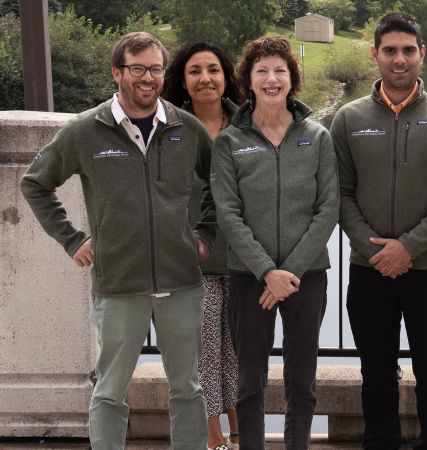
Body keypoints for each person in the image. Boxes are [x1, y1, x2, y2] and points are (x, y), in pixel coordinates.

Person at [20, 31, 212, 449]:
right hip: (118, 283)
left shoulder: (186, 128)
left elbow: (220, 186)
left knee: (189, 389)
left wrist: (205, 233)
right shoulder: (86, 131)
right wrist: (71, 240)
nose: (148, 78)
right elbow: (35, 183)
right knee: (109, 391)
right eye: (138, 68)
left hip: (181, 281)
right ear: (117, 72)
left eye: (156, 69)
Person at [331, 12, 427, 450]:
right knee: (375, 373)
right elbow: (340, 194)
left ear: (422, 55)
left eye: (408, 50)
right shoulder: (348, 118)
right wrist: (377, 251)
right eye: (389, 50)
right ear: (374, 54)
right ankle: (381, 443)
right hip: (369, 270)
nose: (399, 59)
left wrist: (407, 248)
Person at [210, 36, 338, 450]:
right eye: (262, 70)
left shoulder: (317, 137)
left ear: (292, 79)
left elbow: (328, 208)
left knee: (302, 380)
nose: (271, 79)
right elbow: (228, 215)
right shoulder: (229, 142)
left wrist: (291, 271)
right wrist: (267, 271)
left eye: (280, 70)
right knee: (250, 380)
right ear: (248, 80)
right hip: (250, 278)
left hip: (307, 276)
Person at [161, 41, 244, 450]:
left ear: (226, 75)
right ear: (182, 79)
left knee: (237, 354)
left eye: (213, 69)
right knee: (203, 355)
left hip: (247, 260)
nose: (205, 78)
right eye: (195, 71)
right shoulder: (169, 129)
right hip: (192, 261)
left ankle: (241, 432)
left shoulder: (248, 125)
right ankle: (213, 440)